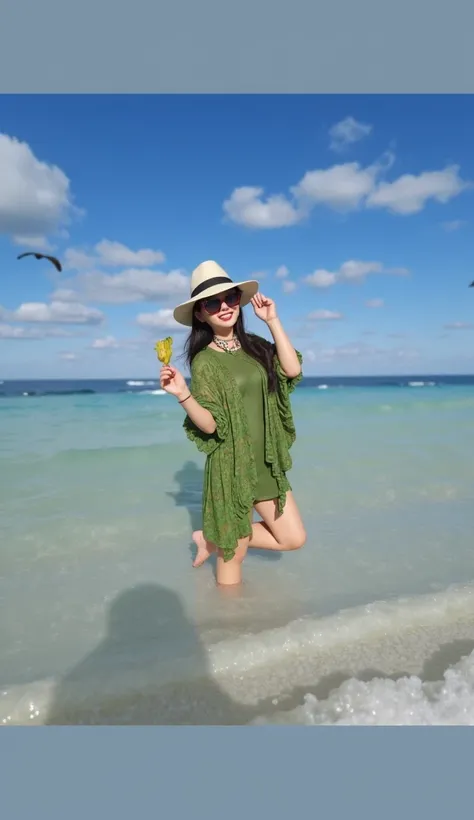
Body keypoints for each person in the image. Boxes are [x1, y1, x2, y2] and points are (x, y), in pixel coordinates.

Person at [160, 260, 306, 586]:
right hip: (231, 467)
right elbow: (211, 426)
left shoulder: (256, 347)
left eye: (230, 297)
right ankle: (229, 618)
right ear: (200, 314)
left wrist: (272, 320)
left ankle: (211, 538)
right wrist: (183, 394)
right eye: (212, 303)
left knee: (293, 538)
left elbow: (292, 370)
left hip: (266, 464)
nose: (224, 307)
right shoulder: (205, 361)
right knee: (233, 560)